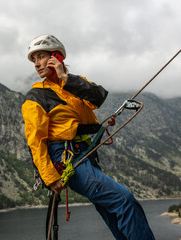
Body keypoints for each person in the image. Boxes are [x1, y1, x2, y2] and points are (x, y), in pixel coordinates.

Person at [21, 34, 155, 240]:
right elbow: (35, 141)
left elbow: (99, 96)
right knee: (124, 200)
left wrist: (65, 77)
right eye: (34, 60)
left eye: (40, 57)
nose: (37, 64)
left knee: (110, 211)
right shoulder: (36, 96)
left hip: (85, 154)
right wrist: (50, 178)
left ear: (55, 57)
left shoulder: (74, 84)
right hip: (64, 157)